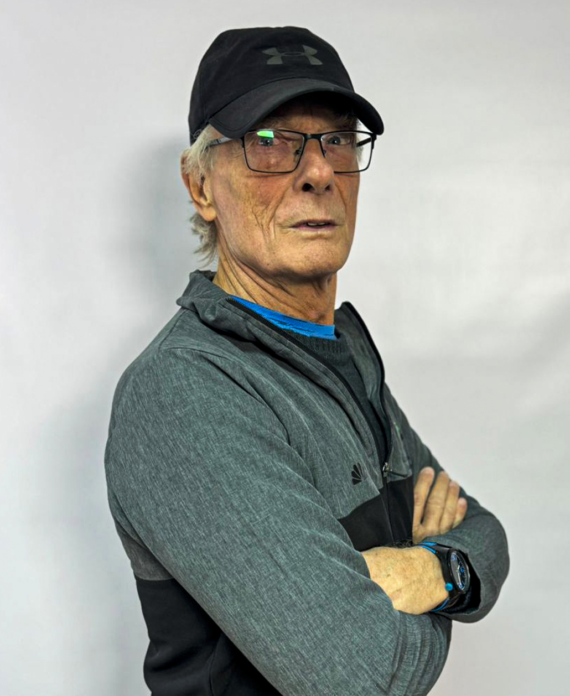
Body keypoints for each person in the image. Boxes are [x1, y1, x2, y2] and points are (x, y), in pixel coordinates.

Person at [104, 25, 510, 696]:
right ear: (200, 185)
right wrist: (446, 586)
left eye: (338, 140)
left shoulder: (341, 358)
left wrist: (432, 572)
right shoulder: (183, 392)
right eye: (269, 142)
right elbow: (363, 676)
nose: (319, 172)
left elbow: (485, 532)